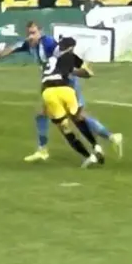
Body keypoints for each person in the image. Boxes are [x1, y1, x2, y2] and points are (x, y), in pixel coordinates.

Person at [0, 21, 120, 161]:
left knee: (77, 117)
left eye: (33, 33)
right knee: (45, 114)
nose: (30, 36)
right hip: (51, 84)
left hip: (66, 83)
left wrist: (77, 68)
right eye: (28, 33)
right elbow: (9, 50)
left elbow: (66, 54)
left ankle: (108, 138)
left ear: (40, 32)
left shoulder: (49, 43)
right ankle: (45, 149)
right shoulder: (29, 44)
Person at [38, 37, 109, 167]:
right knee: (78, 118)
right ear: (71, 48)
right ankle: (96, 146)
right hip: (66, 90)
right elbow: (87, 73)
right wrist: (76, 71)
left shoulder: (48, 60)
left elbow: (45, 79)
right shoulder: (70, 57)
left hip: (49, 92)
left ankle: (88, 157)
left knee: (64, 128)